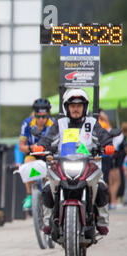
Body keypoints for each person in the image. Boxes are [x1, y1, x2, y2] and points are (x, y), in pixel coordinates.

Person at [34, 88, 115, 235]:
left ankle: (102, 220)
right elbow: (48, 139)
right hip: (62, 165)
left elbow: (104, 137)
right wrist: (41, 146)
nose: (76, 109)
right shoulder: (60, 124)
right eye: (72, 106)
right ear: (67, 108)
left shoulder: (92, 123)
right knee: (47, 188)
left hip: (89, 166)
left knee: (102, 187)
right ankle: (48, 221)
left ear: (85, 107)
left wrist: (108, 145)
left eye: (79, 106)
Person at [18, 98, 55, 212]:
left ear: (48, 115)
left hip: (48, 153)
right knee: (27, 164)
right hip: (32, 153)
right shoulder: (27, 123)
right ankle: (30, 195)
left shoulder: (54, 123)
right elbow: (21, 146)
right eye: (38, 116)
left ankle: (52, 195)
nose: (41, 120)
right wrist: (31, 147)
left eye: (44, 117)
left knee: (53, 169)